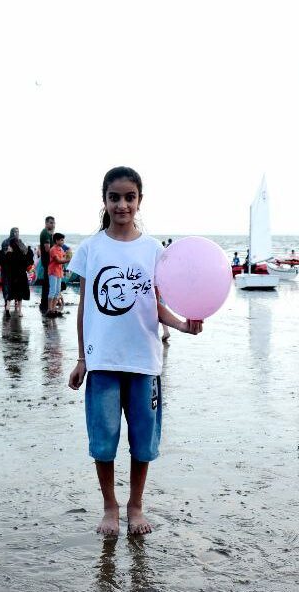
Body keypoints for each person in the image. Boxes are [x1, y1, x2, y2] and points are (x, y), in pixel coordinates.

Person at [66, 166, 205, 537]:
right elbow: (85, 308)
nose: (122, 205)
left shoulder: (154, 250)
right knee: (104, 438)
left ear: (139, 201)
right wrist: (81, 358)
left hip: (144, 360)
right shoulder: (91, 248)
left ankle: (135, 505)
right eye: (115, 197)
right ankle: (110, 506)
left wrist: (182, 325)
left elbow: (155, 305)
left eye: (130, 197)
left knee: (143, 439)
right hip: (103, 361)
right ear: (105, 201)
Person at [0, 228, 33, 312]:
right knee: (8, 286)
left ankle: (13, 303)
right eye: (15, 232)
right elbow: (4, 255)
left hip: (13, 268)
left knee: (12, 286)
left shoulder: (18, 242)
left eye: (18, 232)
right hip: (8, 268)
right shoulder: (7, 242)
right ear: (12, 233)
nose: (17, 233)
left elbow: (24, 253)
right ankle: (10, 303)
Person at [47, 232, 68, 317]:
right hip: (53, 272)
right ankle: (49, 308)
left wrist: (67, 257)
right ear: (56, 240)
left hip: (59, 272)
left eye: (63, 240)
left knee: (57, 291)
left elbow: (63, 258)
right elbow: (58, 261)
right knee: (52, 290)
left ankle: (53, 308)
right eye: (61, 240)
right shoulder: (53, 249)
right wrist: (68, 260)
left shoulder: (61, 249)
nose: (63, 242)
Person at [39, 216, 56, 312]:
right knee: (47, 284)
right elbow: (47, 249)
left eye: (54, 223)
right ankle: (44, 304)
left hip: (49, 262)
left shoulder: (49, 233)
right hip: (48, 262)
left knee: (47, 283)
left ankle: (45, 303)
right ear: (46, 223)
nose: (53, 224)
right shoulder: (45, 233)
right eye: (51, 223)